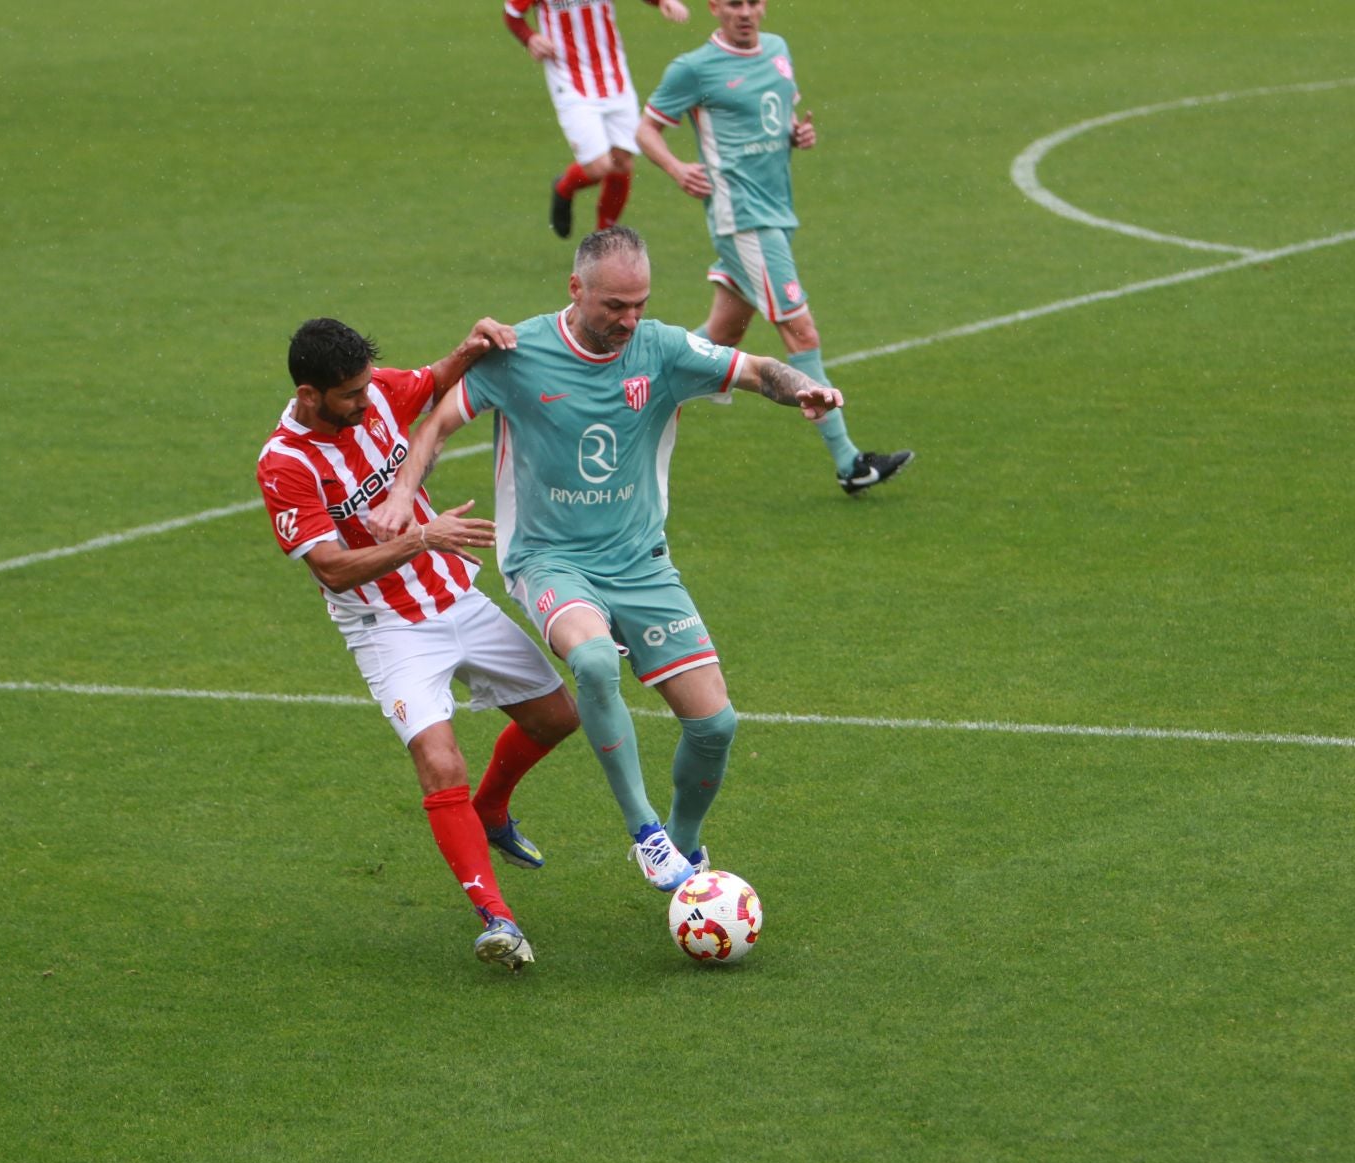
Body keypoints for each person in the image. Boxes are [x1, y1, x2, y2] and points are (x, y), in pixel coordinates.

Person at [369, 227, 840, 893]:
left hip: (640, 561)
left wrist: (806, 390)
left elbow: (759, 370)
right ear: (575, 289)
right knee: (591, 659)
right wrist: (403, 490)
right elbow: (439, 424)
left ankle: (683, 844)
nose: (629, 320)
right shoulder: (519, 352)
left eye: (640, 304)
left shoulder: (663, 350)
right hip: (548, 557)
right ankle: (645, 832)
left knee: (715, 726)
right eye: (615, 306)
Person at [257, 317, 581, 972]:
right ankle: (497, 916)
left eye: (367, 386)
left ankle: (492, 808)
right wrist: (418, 539)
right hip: (388, 630)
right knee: (440, 762)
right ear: (309, 394)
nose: (367, 400)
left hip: (455, 596)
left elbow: (429, 383)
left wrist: (471, 345)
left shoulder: (372, 394)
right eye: (350, 394)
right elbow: (330, 569)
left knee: (558, 718)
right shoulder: (285, 465)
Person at [635, 0, 913, 497]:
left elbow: (774, 118)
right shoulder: (694, 68)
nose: (745, 12)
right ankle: (850, 462)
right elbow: (645, 128)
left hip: (775, 212)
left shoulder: (779, 51)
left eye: (753, 2)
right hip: (742, 218)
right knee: (800, 330)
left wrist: (795, 133)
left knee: (719, 337)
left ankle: (629, 386)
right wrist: (677, 169)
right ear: (715, 7)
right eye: (734, 3)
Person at [504, 0, 691, 239]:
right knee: (600, 166)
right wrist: (529, 38)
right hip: (569, 79)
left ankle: (603, 238)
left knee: (622, 162)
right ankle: (564, 188)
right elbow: (511, 14)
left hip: (613, 72)